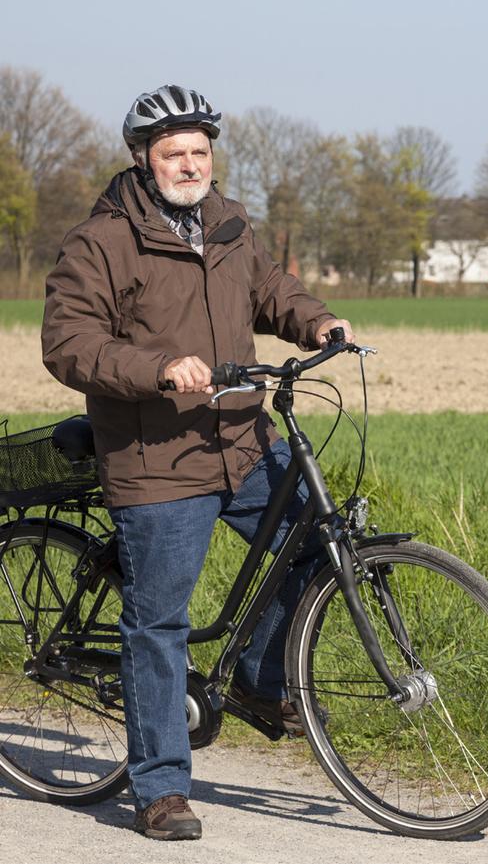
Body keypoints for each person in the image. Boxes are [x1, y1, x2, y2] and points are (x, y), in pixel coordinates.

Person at [40, 84, 352, 841]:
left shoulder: (229, 223)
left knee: (316, 548)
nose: (189, 163)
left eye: (199, 151)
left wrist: (316, 321)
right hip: (156, 456)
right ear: (145, 161)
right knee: (159, 622)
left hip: (242, 441)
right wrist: (158, 367)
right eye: (173, 151)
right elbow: (68, 342)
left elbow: (269, 289)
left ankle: (256, 677)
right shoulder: (101, 240)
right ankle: (160, 788)